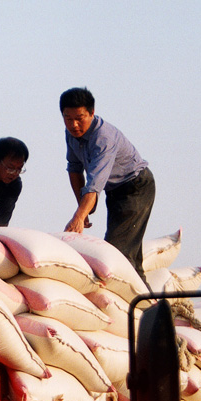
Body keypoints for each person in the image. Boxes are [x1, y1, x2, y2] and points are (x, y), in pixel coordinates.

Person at [60, 87, 155, 282]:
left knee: (115, 254)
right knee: (130, 261)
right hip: (116, 192)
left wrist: (79, 216)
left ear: (92, 113)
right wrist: (82, 208)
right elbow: (74, 169)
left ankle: (138, 306)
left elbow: (95, 183)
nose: (74, 125)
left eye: (80, 118)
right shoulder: (70, 135)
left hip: (135, 187)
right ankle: (147, 306)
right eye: (68, 119)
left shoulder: (103, 138)